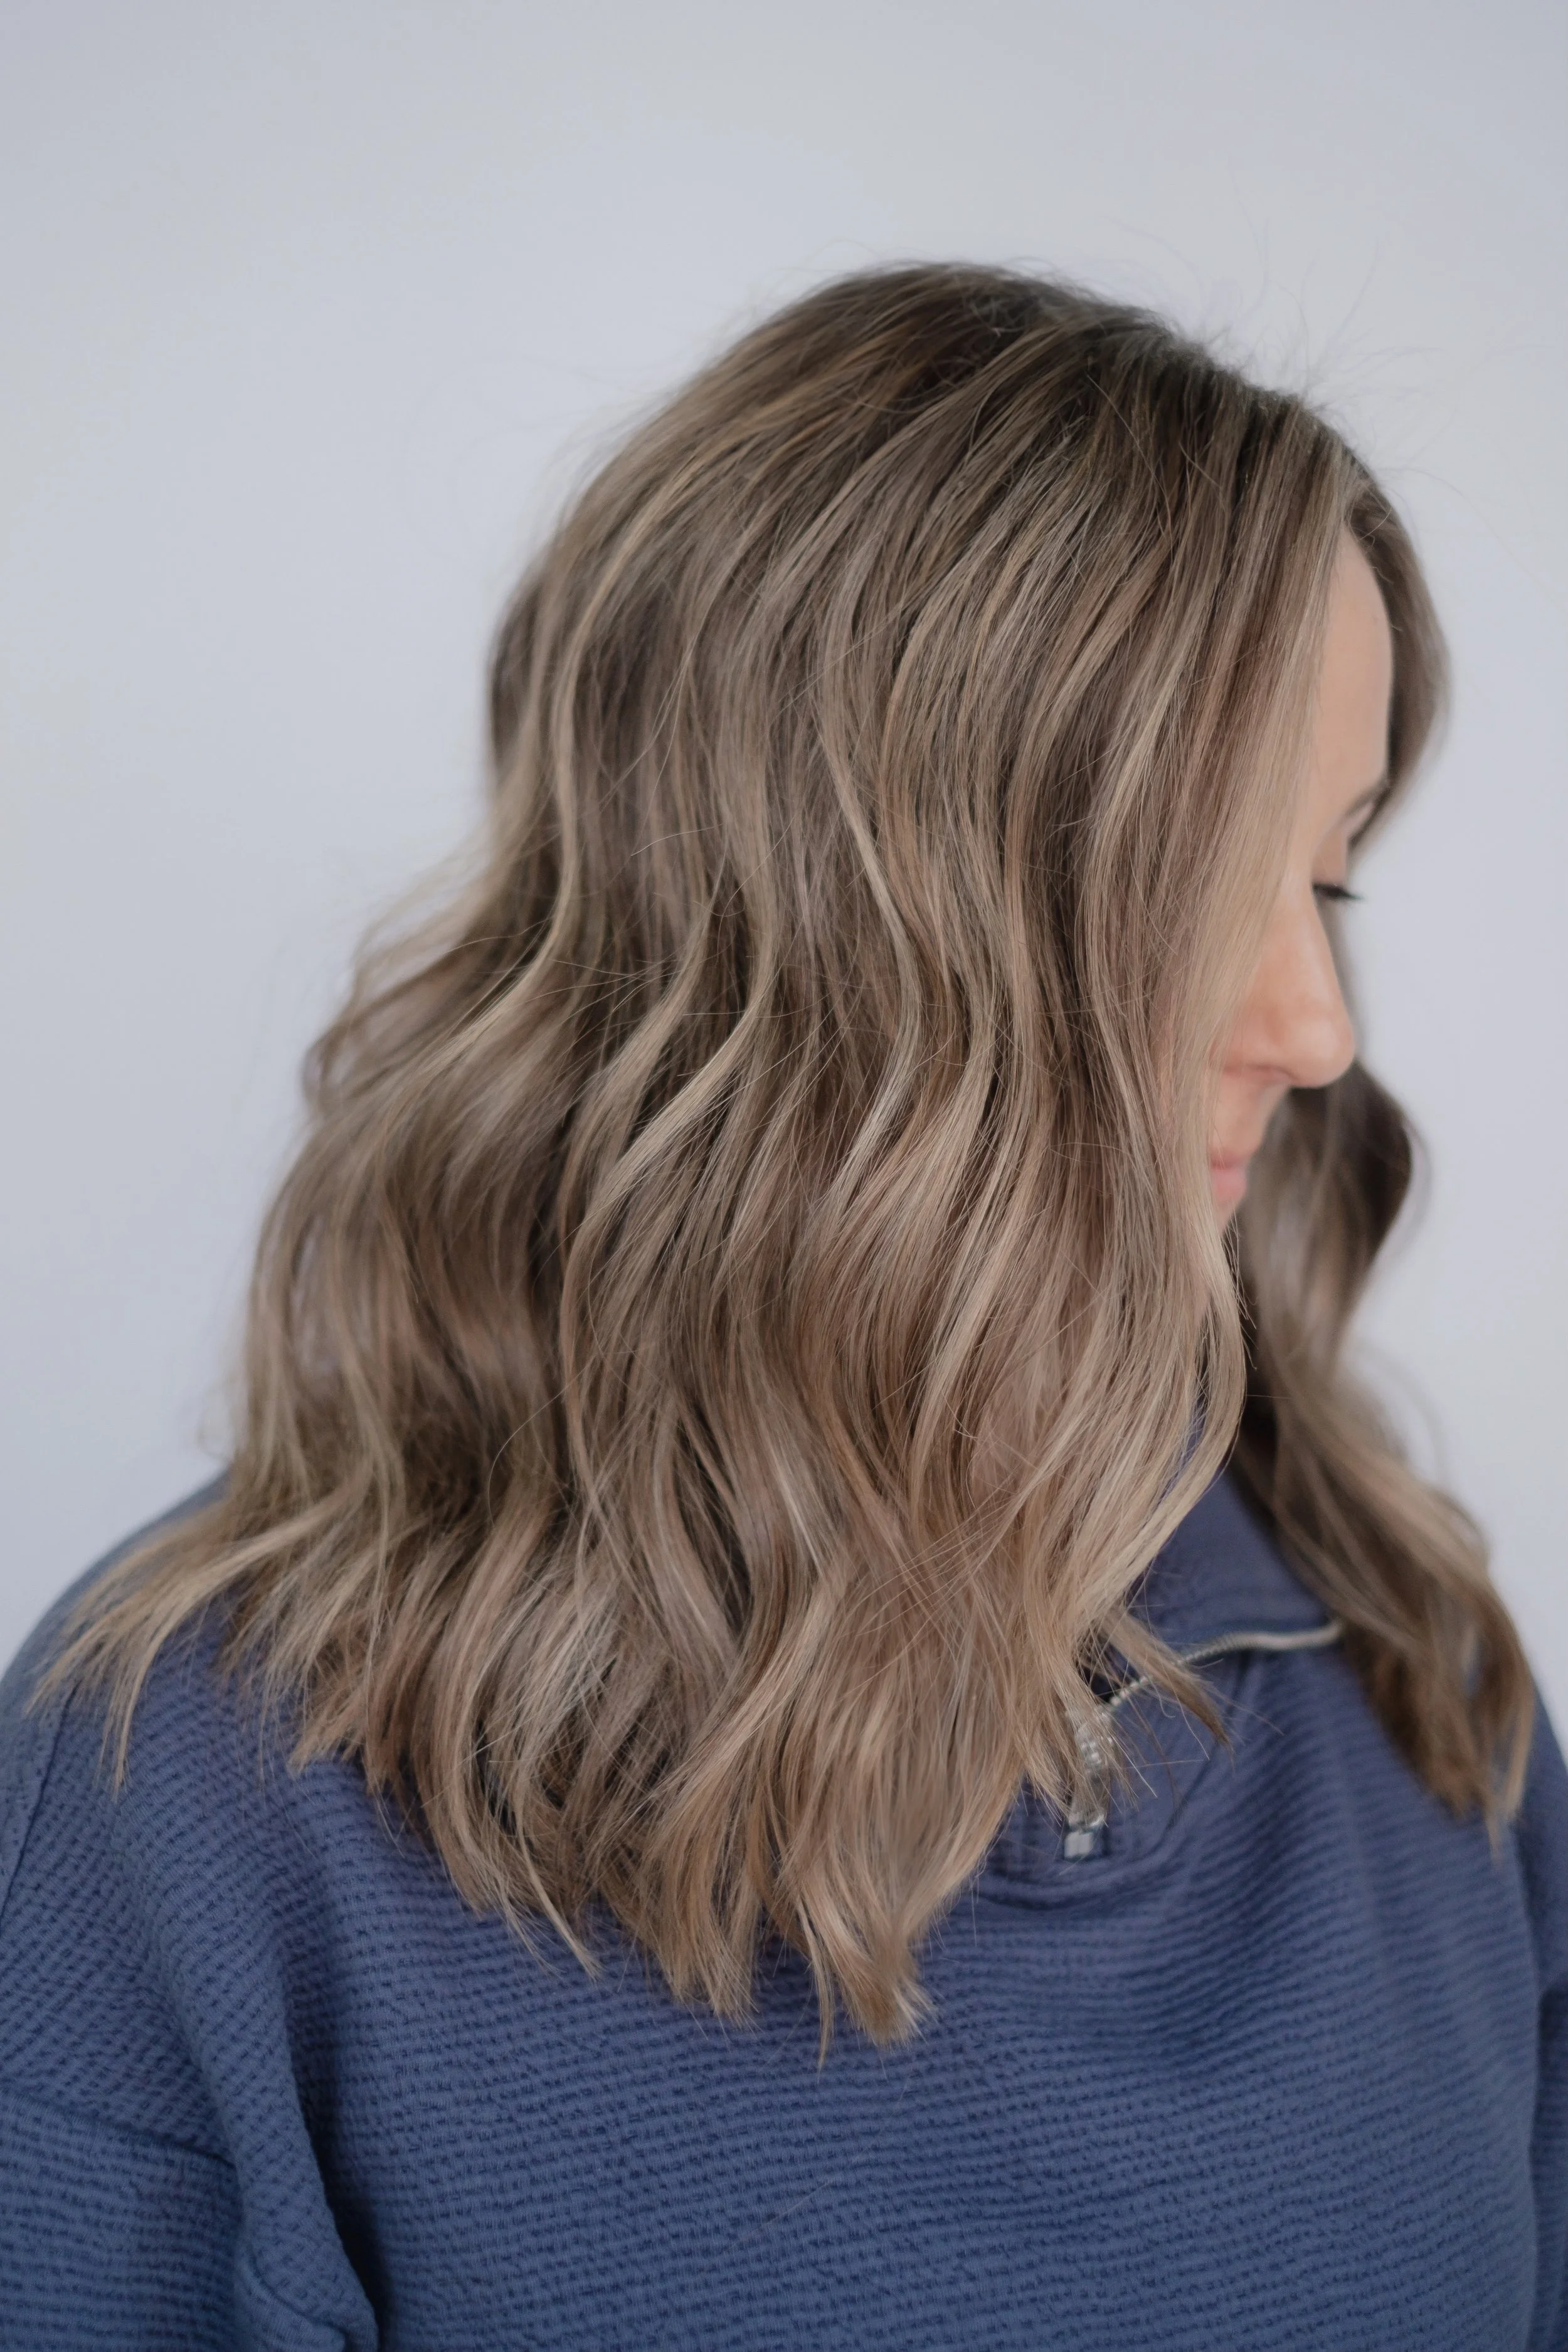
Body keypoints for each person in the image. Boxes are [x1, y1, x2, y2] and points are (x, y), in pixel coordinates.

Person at [1, 264, 1562, 2352]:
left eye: (1335, 873)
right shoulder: (196, 1796)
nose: (1312, 1021)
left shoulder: (1400, 1670)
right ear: (833, 927)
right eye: (1201, 883)